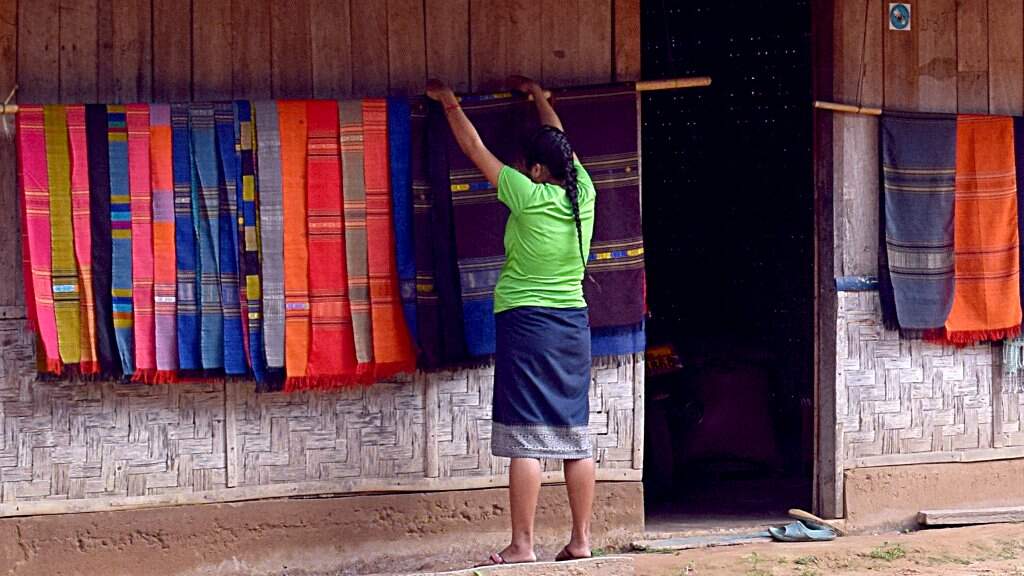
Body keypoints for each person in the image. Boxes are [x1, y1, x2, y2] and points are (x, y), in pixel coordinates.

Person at [426, 75, 597, 566]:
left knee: (527, 434)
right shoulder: (582, 192)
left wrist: (448, 102)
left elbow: (474, 146)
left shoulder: (525, 193)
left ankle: (523, 545)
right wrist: (541, 97)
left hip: (527, 325)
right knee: (573, 432)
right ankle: (581, 541)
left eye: (529, 163)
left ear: (537, 169)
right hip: (573, 326)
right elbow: (559, 136)